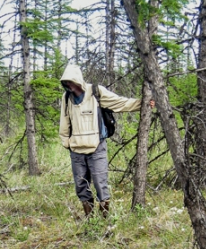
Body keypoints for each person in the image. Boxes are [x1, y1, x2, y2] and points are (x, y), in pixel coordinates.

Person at [59, 62, 150, 217]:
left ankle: (104, 220)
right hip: (76, 150)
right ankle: (90, 220)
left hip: (97, 147)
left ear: (78, 80)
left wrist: (143, 103)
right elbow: (64, 120)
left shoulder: (96, 92)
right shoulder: (67, 97)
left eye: (71, 82)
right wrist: (66, 142)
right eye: (67, 83)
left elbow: (119, 102)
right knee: (81, 186)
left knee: (101, 184)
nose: (70, 86)